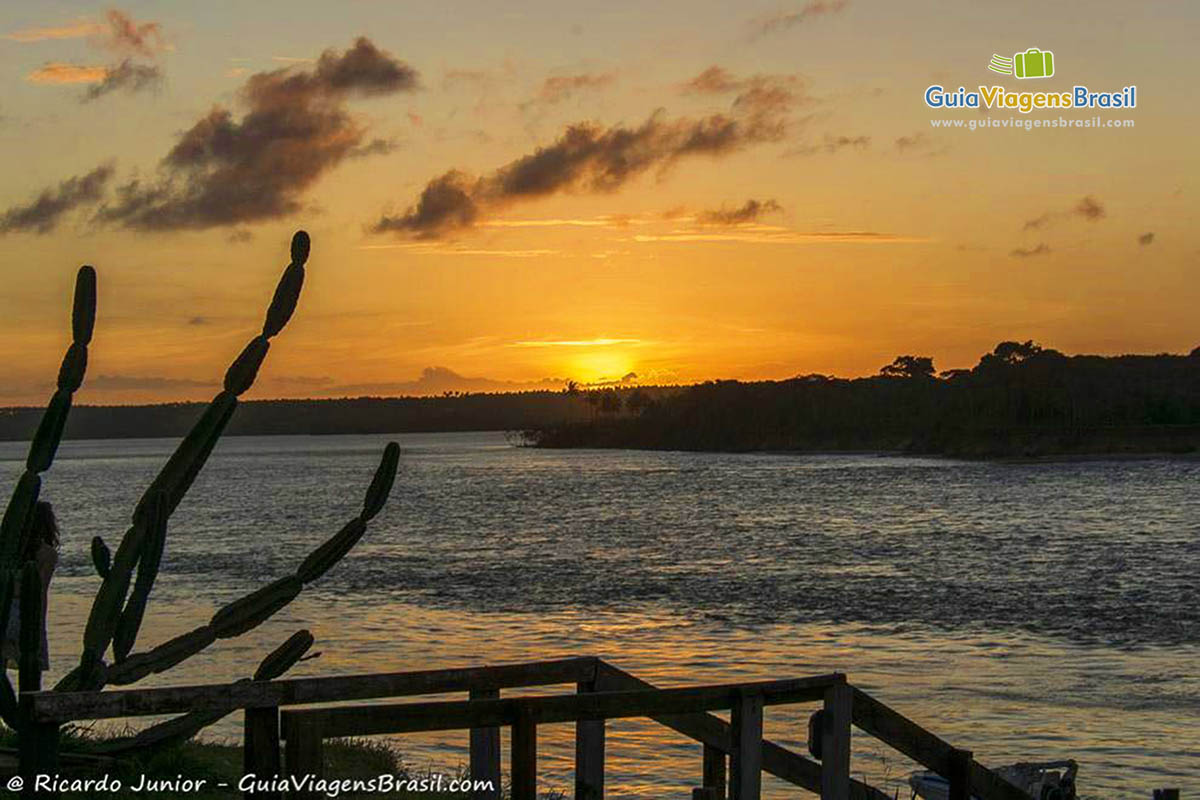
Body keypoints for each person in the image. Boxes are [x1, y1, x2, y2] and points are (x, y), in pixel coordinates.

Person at [2, 501, 59, 672]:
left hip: (3, 608)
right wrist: (39, 627)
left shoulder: (8, 550)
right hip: (24, 612)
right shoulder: (47, 553)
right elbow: (39, 592)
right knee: (29, 664)